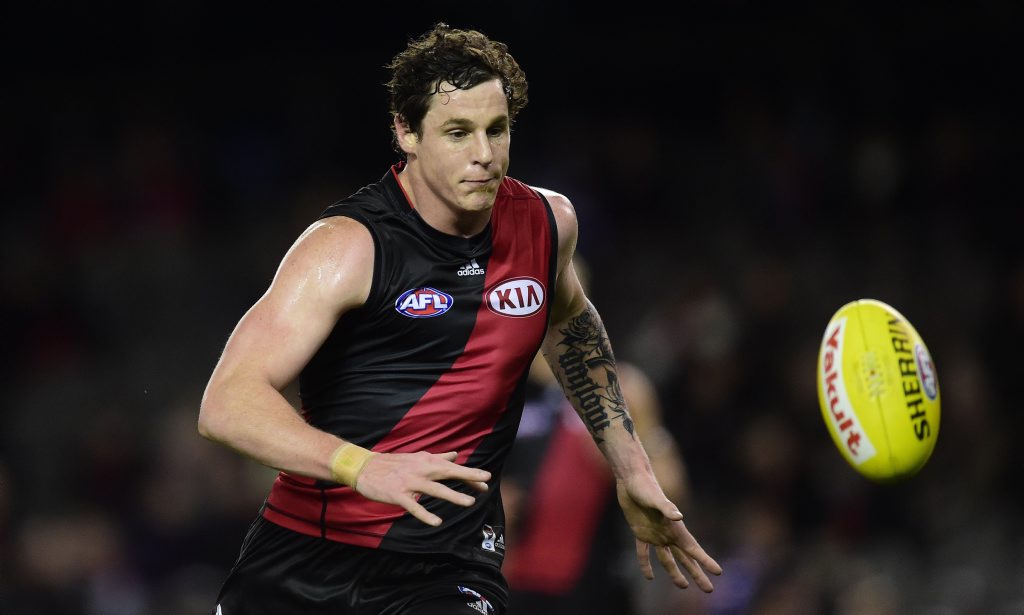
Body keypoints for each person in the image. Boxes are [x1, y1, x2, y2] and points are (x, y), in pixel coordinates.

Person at [198, 22, 721, 614]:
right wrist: (361, 466)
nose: (484, 155)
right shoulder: (348, 247)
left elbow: (571, 328)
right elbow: (228, 402)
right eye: (457, 133)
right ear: (406, 131)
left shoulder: (547, 225)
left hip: (448, 567)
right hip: (304, 559)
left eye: (496, 130)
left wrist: (632, 469)